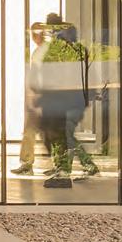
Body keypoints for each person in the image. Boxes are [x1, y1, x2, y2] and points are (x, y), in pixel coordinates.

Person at [39, 14, 97, 188]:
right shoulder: (71, 48)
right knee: (60, 135)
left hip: (64, 100)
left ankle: (64, 172)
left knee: (62, 135)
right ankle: (64, 169)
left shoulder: (64, 48)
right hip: (62, 99)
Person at [13, 21, 48, 175]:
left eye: (36, 34)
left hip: (42, 97)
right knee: (30, 130)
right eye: (32, 34)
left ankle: (27, 163)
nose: (34, 37)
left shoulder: (44, 52)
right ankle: (27, 163)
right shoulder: (38, 52)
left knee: (39, 131)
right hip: (39, 96)